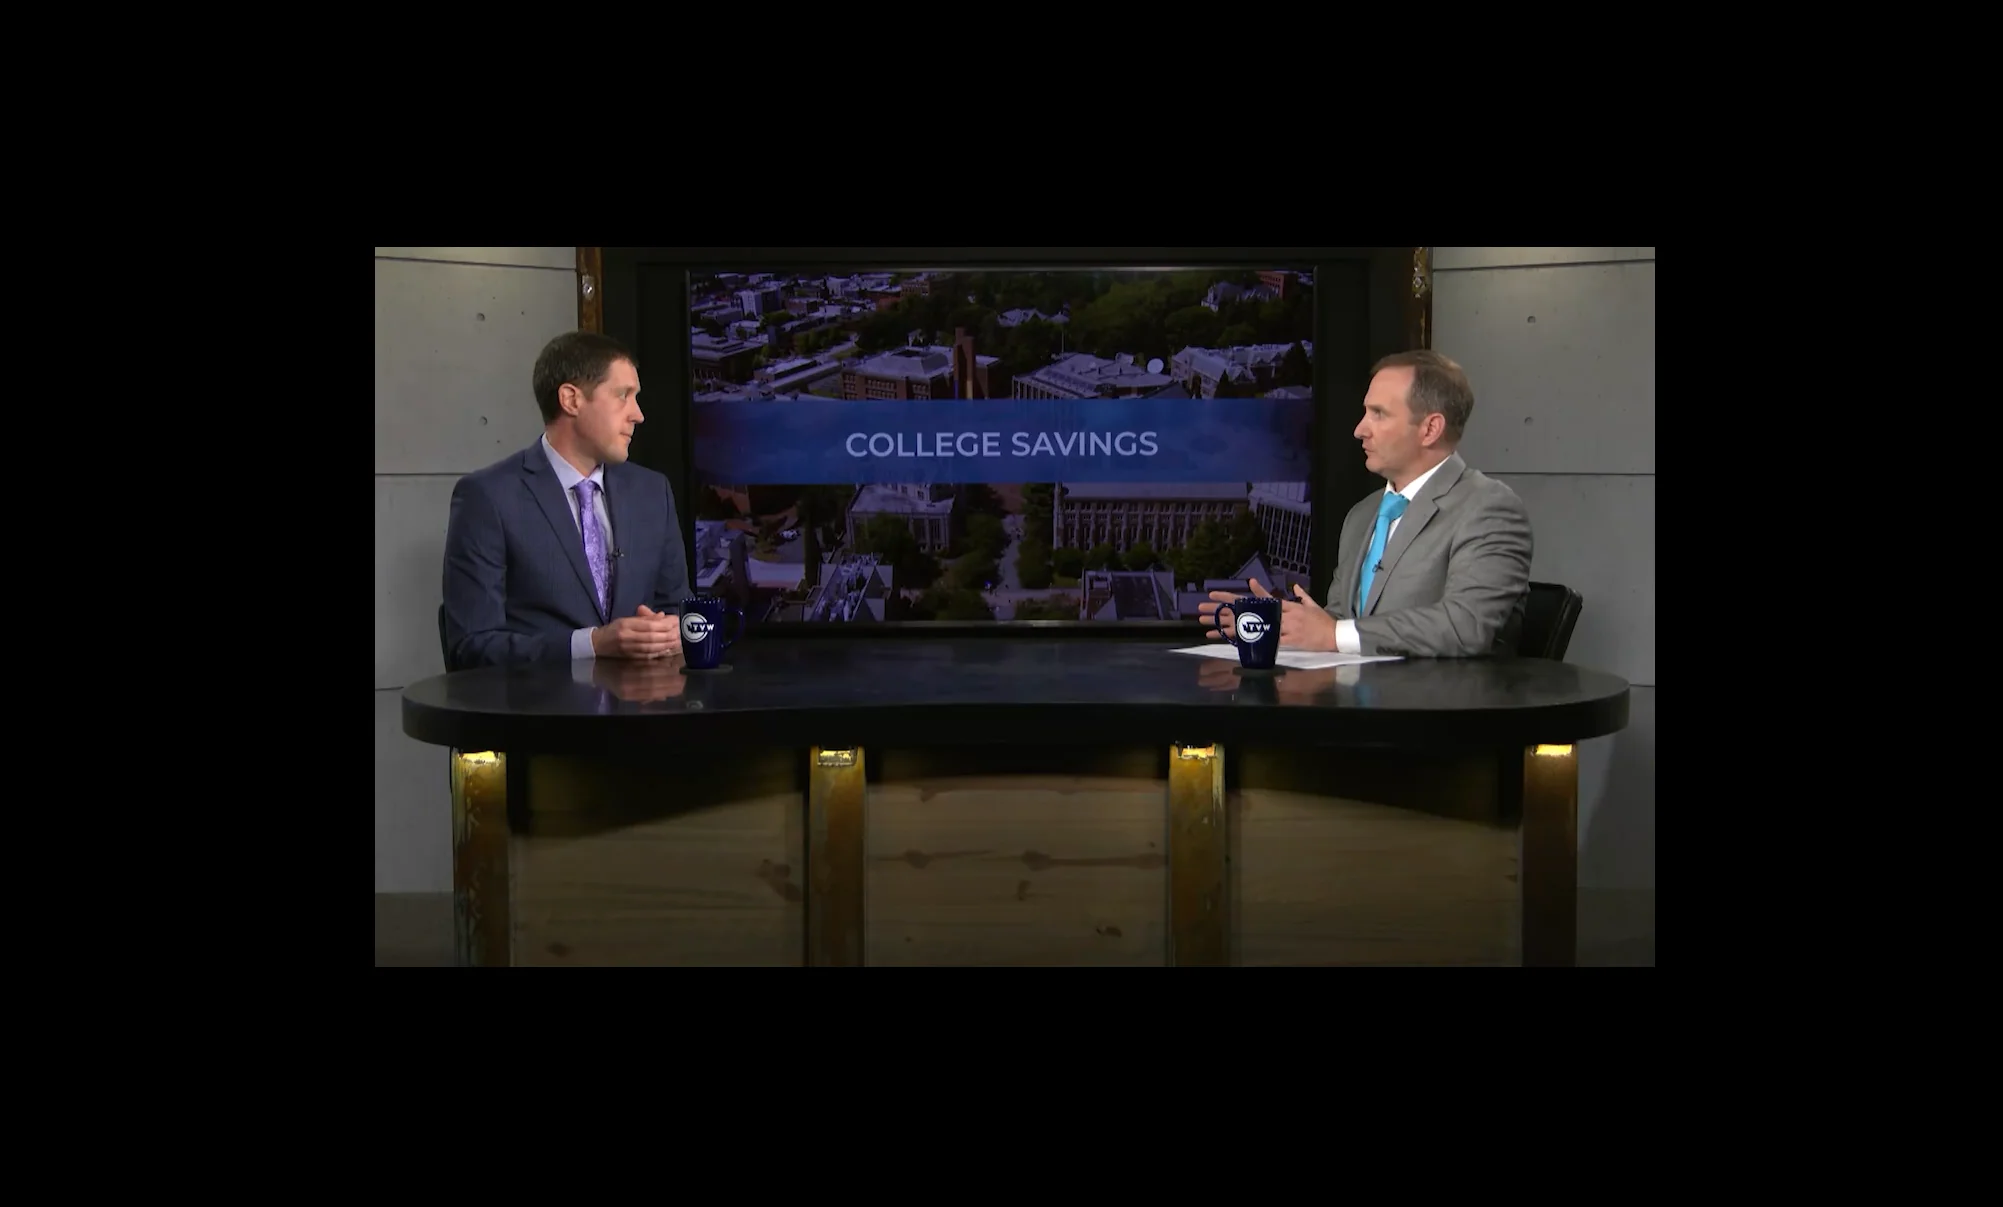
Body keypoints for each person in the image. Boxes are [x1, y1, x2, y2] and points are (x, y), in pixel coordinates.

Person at [1199, 350, 1532, 658]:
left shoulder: (1487, 508)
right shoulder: (1363, 515)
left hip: (1442, 702)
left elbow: (1467, 625)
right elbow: (1340, 624)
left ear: (1430, 429)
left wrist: (1332, 634)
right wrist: (1277, 622)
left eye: (1379, 414)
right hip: (1352, 697)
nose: (1359, 430)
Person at [441, 331, 691, 669]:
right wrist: (592, 644)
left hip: (642, 700)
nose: (638, 414)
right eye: (623, 395)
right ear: (571, 400)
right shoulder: (488, 497)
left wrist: (675, 632)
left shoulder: (652, 492)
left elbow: (679, 609)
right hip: (541, 701)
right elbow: (471, 646)